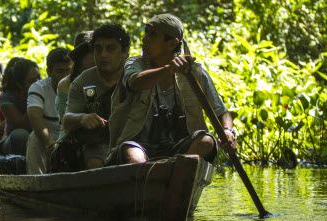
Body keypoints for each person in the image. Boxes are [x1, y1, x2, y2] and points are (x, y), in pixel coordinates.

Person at [107, 13, 237, 165]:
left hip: (178, 150)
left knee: (207, 142)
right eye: (146, 33)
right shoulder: (134, 64)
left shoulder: (194, 73)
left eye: (152, 34)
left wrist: (228, 131)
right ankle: (155, 176)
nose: (144, 39)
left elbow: (221, 112)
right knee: (135, 158)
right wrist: (168, 69)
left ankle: (173, 175)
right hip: (137, 145)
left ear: (172, 44)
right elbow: (135, 82)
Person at [62, 24, 131, 169]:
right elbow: (66, 120)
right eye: (98, 49)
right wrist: (82, 118)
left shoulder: (136, 75)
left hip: (133, 136)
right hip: (98, 141)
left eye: (111, 49)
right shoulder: (82, 81)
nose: (103, 55)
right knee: (94, 164)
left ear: (125, 52)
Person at [26, 48, 73, 174]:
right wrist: (49, 142)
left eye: (68, 70)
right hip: (49, 136)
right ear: (49, 72)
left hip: (73, 134)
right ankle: (36, 181)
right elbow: (35, 117)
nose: (65, 76)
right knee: (34, 138)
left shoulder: (80, 85)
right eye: (59, 71)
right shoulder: (38, 88)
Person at [0, 58, 41, 155]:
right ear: (19, 84)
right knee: (20, 135)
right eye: (32, 81)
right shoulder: (6, 97)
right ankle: (17, 165)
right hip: (15, 142)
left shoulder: (45, 89)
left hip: (41, 137)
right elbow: (22, 125)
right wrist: (36, 99)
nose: (37, 83)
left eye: (39, 78)